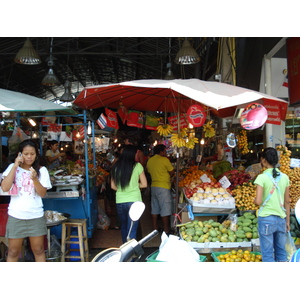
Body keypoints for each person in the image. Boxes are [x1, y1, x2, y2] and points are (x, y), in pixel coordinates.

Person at [1, 139, 52, 262]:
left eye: (32, 154)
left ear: (36, 154)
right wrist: (15, 166)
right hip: (16, 216)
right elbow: (5, 187)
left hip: (35, 216)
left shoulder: (42, 170)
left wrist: (35, 179)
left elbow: (43, 193)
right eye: (26, 154)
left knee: (39, 250)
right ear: (20, 154)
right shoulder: (12, 168)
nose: (29, 157)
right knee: (13, 251)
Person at [253, 147, 290, 262]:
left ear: (263, 160)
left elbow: (258, 201)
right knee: (281, 253)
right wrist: (287, 221)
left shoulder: (262, 177)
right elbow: (287, 201)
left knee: (268, 254)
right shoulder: (285, 177)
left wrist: (254, 201)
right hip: (281, 219)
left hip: (266, 220)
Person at [110, 144, 147, 243]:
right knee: (132, 229)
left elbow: (113, 186)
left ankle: (125, 251)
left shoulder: (115, 166)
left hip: (120, 201)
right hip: (134, 202)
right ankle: (132, 255)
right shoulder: (137, 166)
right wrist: (134, 185)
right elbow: (144, 184)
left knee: (124, 227)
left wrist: (123, 188)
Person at [146, 144, 175, 234]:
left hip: (154, 186)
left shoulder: (150, 160)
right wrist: (168, 176)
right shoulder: (164, 160)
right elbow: (172, 172)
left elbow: (148, 171)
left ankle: (155, 228)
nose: (166, 153)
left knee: (155, 208)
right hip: (163, 187)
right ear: (161, 152)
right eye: (165, 151)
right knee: (165, 208)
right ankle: (166, 229)